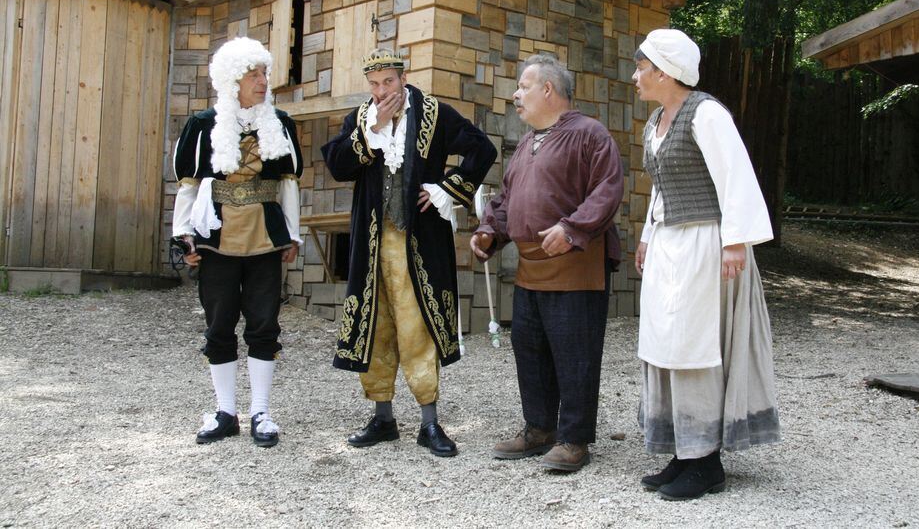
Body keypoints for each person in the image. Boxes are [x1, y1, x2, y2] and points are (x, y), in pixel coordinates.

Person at [322, 48, 496, 457]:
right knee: (376, 325)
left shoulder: (434, 113)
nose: (382, 91)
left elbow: (481, 150)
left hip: (420, 242)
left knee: (417, 326)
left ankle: (429, 423)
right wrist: (372, 128)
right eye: (375, 84)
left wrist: (447, 189)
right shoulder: (363, 118)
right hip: (372, 244)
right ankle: (383, 418)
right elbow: (337, 164)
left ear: (403, 77)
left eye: (388, 82)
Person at [631, 28, 780, 500]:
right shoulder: (655, 121)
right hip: (670, 244)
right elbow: (661, 186)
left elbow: (734, 175)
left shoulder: (707, 113)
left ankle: (706, 462)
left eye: (641, 67)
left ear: (665, 70)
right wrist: (647, 234)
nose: (635, 75)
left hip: (705, 245)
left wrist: (735, 242)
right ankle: (684, 448)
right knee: (668, 344)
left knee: (696, 347)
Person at [471, 54, 624, 472]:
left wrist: (573, 228)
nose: (516, 95)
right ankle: (539, 429)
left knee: (574, 354)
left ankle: (574, 440)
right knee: (531, 350)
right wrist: (491, 232)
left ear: (548, 90)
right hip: (530, 270)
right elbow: (505, 201)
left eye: (523, 87)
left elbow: (607, 192)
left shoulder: (590, 135)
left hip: (575, 267)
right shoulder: (525, 144)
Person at [172, 36, 303, 448]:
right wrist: (184, 236)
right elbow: (189, 186)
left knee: (265, 323)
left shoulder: (279, 123)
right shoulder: (202, 125)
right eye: (254, 74)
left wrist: (293, 233)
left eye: (264, 73)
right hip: (217, 239)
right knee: (219, 324)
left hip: (265, 237)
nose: (263, 81)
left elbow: (287, 184)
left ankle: (260, 412)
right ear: (233, 81)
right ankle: (226, 411)